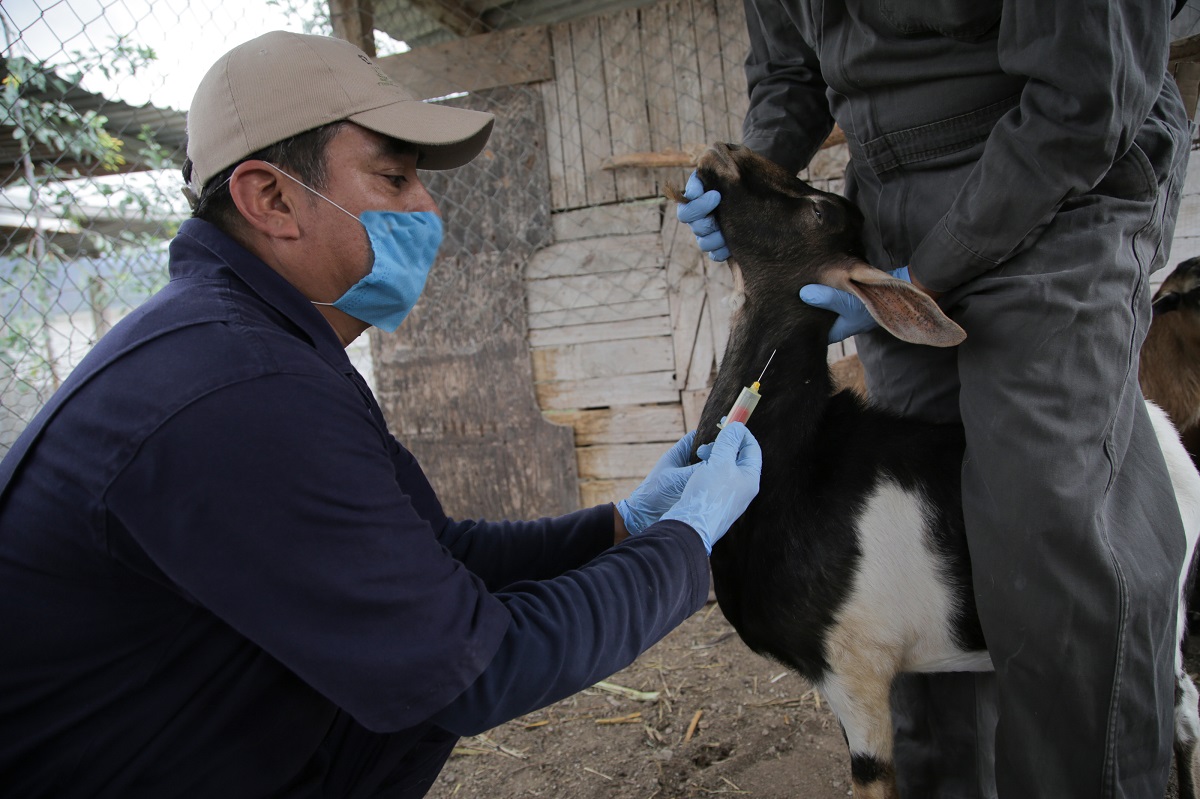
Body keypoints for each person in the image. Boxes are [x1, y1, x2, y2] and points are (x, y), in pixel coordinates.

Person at [0, 31, 762, 797]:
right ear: (271, 200)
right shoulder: (237, 388)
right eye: (394, 178)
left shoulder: (260, 345)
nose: (427, 206)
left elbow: (430, 556)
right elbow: (471, 668)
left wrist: (624, 522)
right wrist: (684, 542)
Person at [678, 1, 1191, 797]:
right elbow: (787, 70)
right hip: (894, 207)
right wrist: (759, 174)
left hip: (1062, 180)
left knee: (1042, 526)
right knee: (934, 539)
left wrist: (925, 276)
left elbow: (1083, 96)